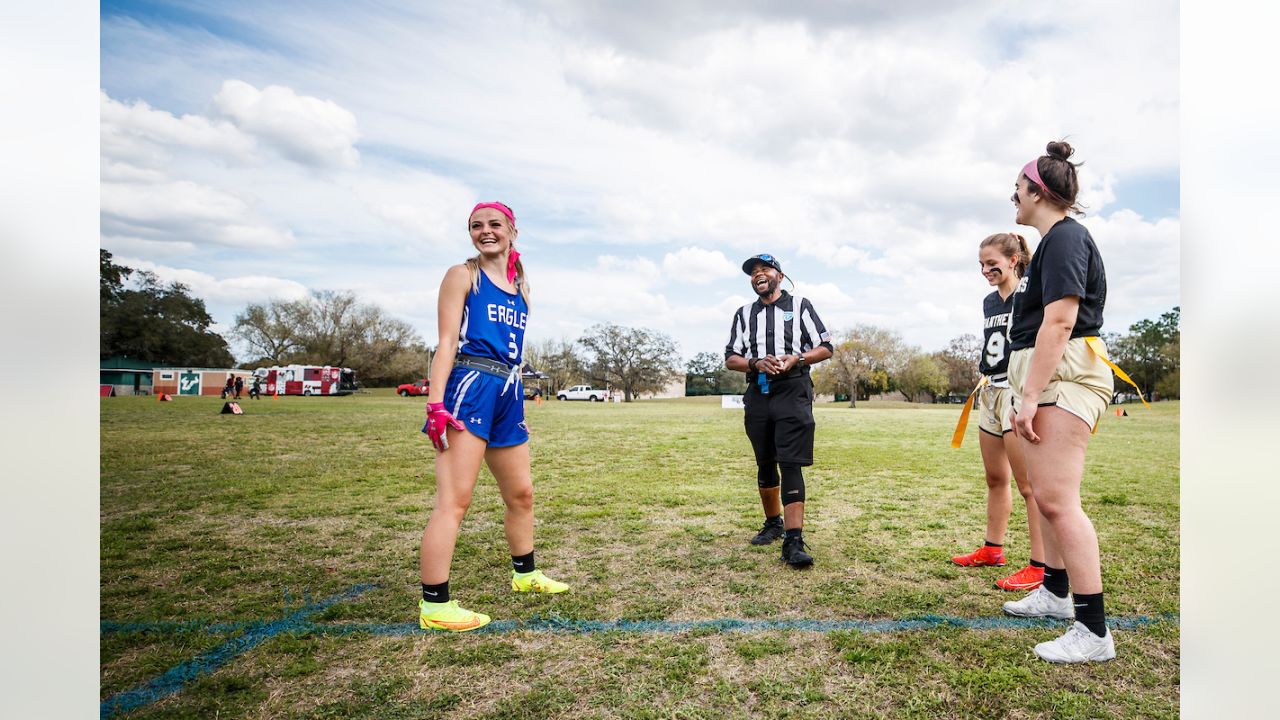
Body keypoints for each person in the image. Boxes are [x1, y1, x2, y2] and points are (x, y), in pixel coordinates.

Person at [417, 201, 568, 632]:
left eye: (494, 224)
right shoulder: (462, 275)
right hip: (471, 385)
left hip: (508, 391)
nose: (486, 231)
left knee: (521, 494)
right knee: (455, 501)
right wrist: (436, 403)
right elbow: (446, 344)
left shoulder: (520, 287)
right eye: (476, 226)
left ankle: (525, 575)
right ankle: (435, 605)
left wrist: (515, 400)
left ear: (512, 230)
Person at [1000, 141, 1116, 663]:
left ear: (1038, 192)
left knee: (1059, 501)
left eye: (1018, 190)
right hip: (1048, 374)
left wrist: (1028, 396)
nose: (1013, 198)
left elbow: (1062, 320)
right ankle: (1055, 592)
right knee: (1046, 496)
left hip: (1066, 375)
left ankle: (1093, 632)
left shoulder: (1067, 237)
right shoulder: (1051, 242)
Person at [951, 233, 1047, 593]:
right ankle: (993, 549)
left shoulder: (1030, 293)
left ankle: (1040, 565)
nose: (986, 270)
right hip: (989, 390)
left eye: (993, 263)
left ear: (1013, 259)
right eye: (981, 265)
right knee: (995, 478)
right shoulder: (989, 301)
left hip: (1016, 390)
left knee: (1029, 485)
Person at [724, 254, 833, 567]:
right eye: (754, 272)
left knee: (790, 461)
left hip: (793, 389)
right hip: (758, 391)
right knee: (765, 459)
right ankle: (774, 523)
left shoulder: (800, 306)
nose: (759, 274)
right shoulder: (744, 314)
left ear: (780, 276)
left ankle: (794, 540)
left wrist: (796, 359)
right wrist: (756, 362)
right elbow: (731, 357)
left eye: (765, 269)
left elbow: (826, 347)